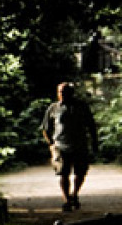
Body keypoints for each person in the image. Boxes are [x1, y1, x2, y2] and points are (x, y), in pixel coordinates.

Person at [41, 82, 99, 212]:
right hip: (60, 146)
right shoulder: (53, 108)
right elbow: (45, 128)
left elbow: (91, 125)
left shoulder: (82, 107)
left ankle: (75, 194)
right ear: (58, 93)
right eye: (61, 92)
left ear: (72, 93)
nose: (63, 94)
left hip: (80, 145)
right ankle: (66, 199)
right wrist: (51, 143)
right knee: (63, 173)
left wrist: (95, 142)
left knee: (80, 172)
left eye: (66, 92)